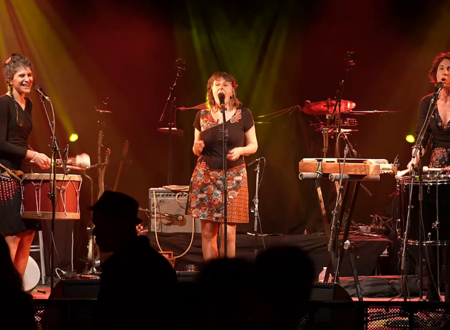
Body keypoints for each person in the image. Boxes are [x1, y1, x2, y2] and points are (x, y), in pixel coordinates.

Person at [186, 71, 258, 260]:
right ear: (211, 90)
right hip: (206, 177)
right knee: (209, 233)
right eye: (217, 84)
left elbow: (254, 145)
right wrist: (196, 146)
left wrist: (241, 151)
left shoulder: (244, 115)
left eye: (225, 85)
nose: (221, 88)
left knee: (228, 233)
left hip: (234, 178)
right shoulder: (201, 116)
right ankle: (211, 278)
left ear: (232, 91)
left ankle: (228, 279)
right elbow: (196, 148)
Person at [90, 191, 177, 330]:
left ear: (122, 225)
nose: (94, 232)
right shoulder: (153, 262)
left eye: (101, 224)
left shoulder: (124, 269)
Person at [0, 53, 50, 277]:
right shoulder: (3, 103)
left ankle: (18, 294)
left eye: (29, 74)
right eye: (22, 75)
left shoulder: (27, 104)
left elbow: (19, 139)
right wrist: (32, 154)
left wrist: (38, 157)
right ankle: (5, 296)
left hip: (23, 175)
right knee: (12, 236)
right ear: (10, 79)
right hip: (4, 175)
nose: (27, 79)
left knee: (28, 233)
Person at [407, 51, 450, 301]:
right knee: (434, 231)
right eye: (441, 69)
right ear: (434, 74)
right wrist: (415, 157)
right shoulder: (428, 102)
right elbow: (421, 137)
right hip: (435, 171)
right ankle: (433, 291)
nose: (445, 73)